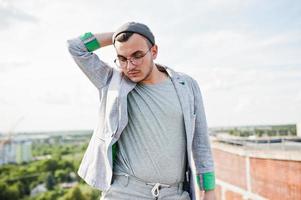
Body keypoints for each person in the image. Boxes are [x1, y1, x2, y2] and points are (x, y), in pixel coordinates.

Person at [67, 22, 216, 200]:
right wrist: (119, 34)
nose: (130, 66)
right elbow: (75, 47)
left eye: (137, 55)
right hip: (124, 193)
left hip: (175, 194)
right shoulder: (112, 81)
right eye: (122, 58)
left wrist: (209, 190)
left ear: (154, 51)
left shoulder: (187, 85)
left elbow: (200, 142)